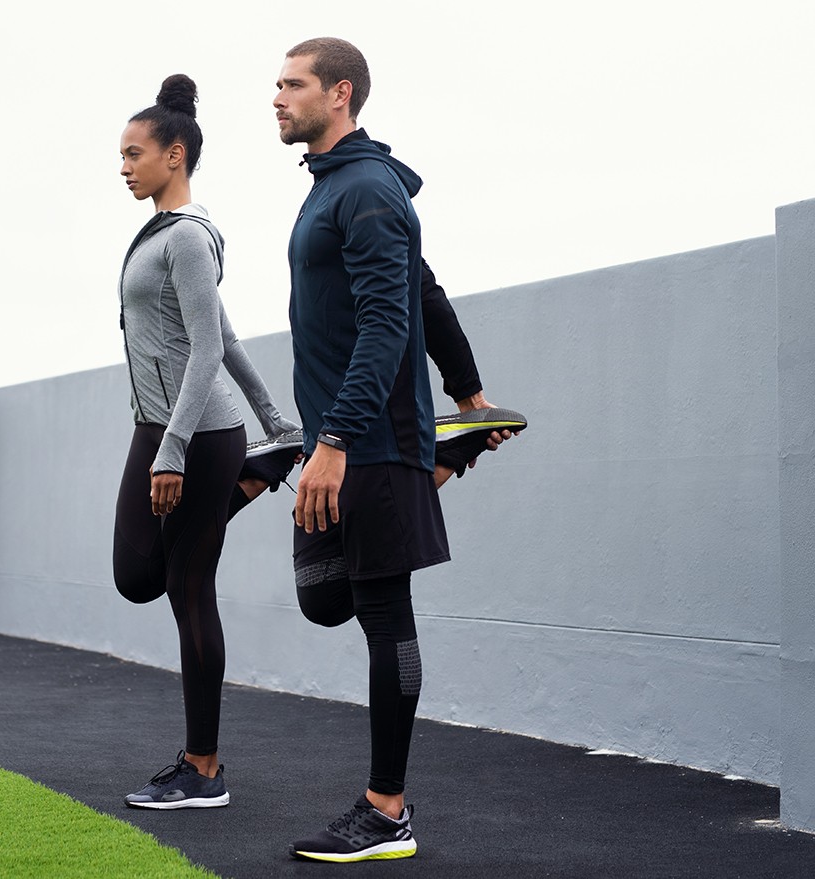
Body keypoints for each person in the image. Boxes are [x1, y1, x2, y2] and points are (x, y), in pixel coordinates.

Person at [274, 37, 520, 862]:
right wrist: (469, 389)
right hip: (346, 441)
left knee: (383, 615)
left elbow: (390, 319)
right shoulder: (335, 188)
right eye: (276, 84)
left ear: (340, 94)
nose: (278, 98)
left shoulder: (369, 188)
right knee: (321, 595)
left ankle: (387, 811)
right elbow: (424, 288)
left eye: (293, 85)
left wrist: (337, 440)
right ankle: (446, 459)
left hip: (367, 438)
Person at [113, 73, 301, 809]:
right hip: (160, 427)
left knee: (189, 590)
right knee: (138, 573)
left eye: (135, 153)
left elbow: (205, 351)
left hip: (193, 433)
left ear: (176, 154)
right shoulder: (161, 235)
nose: (124, 166)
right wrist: (277, 419)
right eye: (121, 155)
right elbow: (221, 333)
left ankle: (204, 768)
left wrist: (174, 450)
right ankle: (256, 473)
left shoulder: (188, 237)